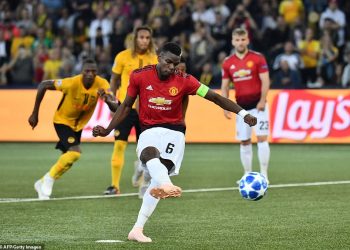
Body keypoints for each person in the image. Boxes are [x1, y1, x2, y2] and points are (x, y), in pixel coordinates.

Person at [92, 42, 257, 242]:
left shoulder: (185, 80)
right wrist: (108, 129)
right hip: (149, 129)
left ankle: (137, 229)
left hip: (175, 132)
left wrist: (243, 113)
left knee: (156, 180)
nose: (171, 67)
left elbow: (214, 97)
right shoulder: (139, 76)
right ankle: (166, 183)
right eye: (168, 62)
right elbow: (126, 106)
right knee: (148, 153)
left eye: (175, 64)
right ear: (159, 57)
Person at [28, 58, 118, 200]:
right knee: (75, 153)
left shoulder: (102, 84)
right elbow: (43, 85)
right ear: (81, 71)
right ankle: (49, 178)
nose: (90, 74)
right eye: (87, 71)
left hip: (78, 126)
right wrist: (35, 113)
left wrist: (106, 99)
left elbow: (116, 107)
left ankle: (41, 182)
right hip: (62, 121)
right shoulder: (70, 83)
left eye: (93, 71)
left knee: (68, 160)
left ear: (97, 73)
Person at [104, 26, 158, 197]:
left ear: (150, 40)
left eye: (147, 38)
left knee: (146, 149)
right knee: (119, 144)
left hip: (146, 109)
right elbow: (114, 79)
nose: (144, 41)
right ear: (135, 38)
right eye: (141, 37)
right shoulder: (122, 56)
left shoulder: (155, 59)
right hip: (125, 107)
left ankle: (144, 185)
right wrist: (112, 100)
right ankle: (114, 186)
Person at [221, 28, 271, 184]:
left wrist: (263, 100)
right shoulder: (228, 62)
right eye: (237, 40)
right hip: (241, 109)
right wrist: (225, 105)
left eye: (243, 39)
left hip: (258, 106)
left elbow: (265, 80)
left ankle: (264, 174)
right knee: (244, 141)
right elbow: (225, 86)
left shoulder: (258, 58)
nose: (240, 42)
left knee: (262, 139)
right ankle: (247, 174)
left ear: (247, 40)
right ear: (232, 41)